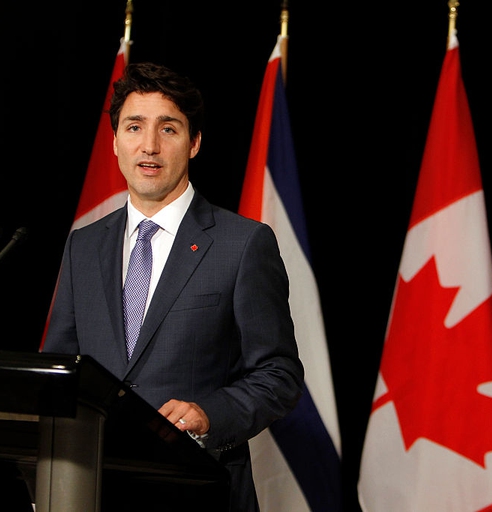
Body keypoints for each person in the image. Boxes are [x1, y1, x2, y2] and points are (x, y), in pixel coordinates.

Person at [42, 61, 304, 511]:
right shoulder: (83, 247)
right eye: (134, 127)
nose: (149, 146)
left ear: (194, 143)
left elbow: (278, 375)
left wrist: (208, 416)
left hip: (197, 491)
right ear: (115, 142)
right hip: (91, 490)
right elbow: (59, 368)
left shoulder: (243, 244)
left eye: (168, 129)